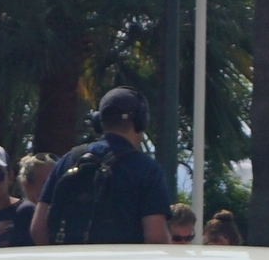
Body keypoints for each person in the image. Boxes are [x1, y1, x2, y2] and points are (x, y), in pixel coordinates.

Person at [32, 89, 171, 245]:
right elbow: (155, 237)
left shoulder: (69, 160)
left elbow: (38, 228)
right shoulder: (147, 169)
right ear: (140, 121)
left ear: (99, 121)